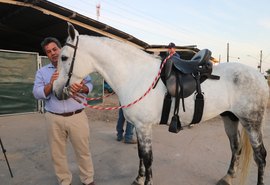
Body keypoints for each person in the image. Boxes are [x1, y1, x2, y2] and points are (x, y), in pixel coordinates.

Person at [33, 37, 95, 185]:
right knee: (57, 154)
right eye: (48, 52)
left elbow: (89, 84)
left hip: (77, 117)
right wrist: (51, 83)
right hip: (54, 118)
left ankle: (88, 180)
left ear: (61, 49)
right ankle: (64, 181)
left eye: (55, 49)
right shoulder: (42, 72)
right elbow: (37, 93)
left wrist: (82, 88)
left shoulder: (76, 65)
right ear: (46, 55)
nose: (53, 53)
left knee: (83, 151)